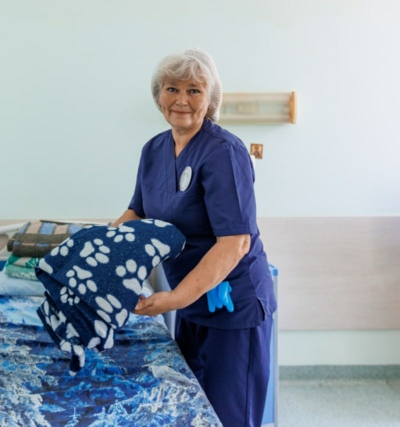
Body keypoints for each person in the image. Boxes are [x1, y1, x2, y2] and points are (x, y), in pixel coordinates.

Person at [111, 48, 277, 427]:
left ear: (210, 98)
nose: (181, 100)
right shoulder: (153, 150)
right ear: (158, 95)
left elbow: (235, 242)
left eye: (194, 90)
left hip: (233, 306)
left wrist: (174, 299)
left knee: (229, 416)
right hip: (190, 302)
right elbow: (137, 213)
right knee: (193, 412)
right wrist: (99, 253)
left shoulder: (224, 152)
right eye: (172, 88)